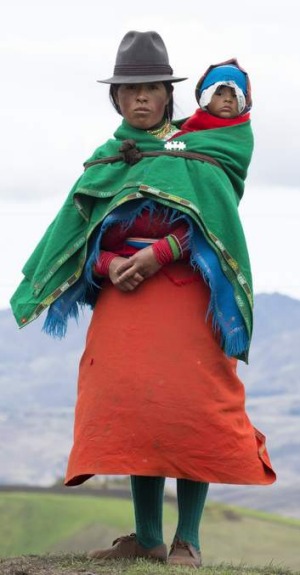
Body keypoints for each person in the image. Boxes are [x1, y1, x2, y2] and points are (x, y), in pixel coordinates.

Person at [10, 31, 276, 568]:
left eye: (151, 88)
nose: (140, 99)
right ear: (115, 99)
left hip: (189, 306)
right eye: (129, 90)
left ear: (168, 95)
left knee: (192, 411)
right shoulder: (108, 160)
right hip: (122, 308)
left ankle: (189, 542)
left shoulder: (198, 150)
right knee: (136, 414)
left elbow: (216, 222)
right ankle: (149, 538)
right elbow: (81, 237)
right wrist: (108, 264)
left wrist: (162, 251)